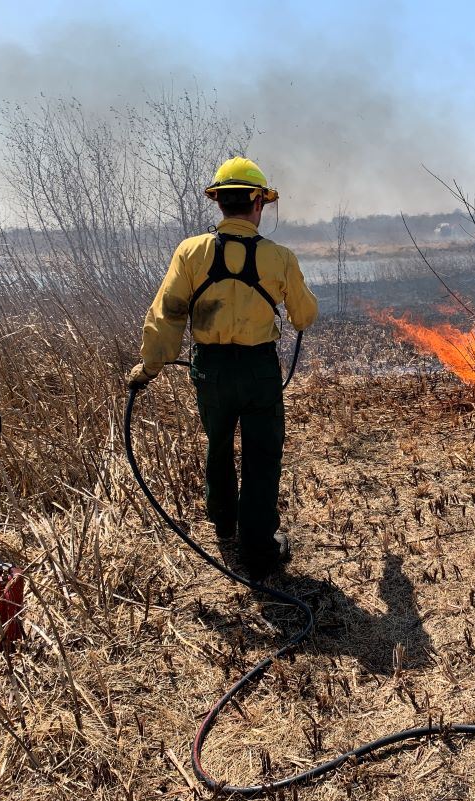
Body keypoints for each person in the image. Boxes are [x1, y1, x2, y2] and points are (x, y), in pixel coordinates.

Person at [128, 157, 318, 579]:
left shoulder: (192, 252)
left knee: (218, 443)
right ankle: (258, 546)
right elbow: (304, 316)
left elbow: (167, 314)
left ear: (219, 203)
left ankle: (224, 523)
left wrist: (149, 367)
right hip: (258, 371)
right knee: (261, 454)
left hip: (210, 370)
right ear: (257, 203)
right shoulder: (279, 257)